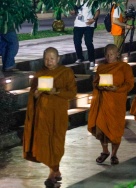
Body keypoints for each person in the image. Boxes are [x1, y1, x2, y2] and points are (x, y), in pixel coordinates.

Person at [22, 47, 77, 187]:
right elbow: (32, 95)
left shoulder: (66, 72)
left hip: (58, 115)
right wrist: (35, 95)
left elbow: (72, 93)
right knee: (46, 144)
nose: (49, 61)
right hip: (43, 116)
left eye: (52, 58)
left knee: (56, 143)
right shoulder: (40, 74)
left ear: (58, 58)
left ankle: (54, 173)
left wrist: (56, 91)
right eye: (46, 58)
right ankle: (53, 174)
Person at [88, 44, 134, 165]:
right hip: (103, 102)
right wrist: (98, 86)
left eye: (112, 54)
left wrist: (116, 88)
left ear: (117, 54)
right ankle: (105, 151)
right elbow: (95, 82)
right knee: (100, 128)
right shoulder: (101, 67)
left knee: (115, 129)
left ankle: (114, 154)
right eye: (107, 54)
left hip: (116, 102)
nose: (109, 57)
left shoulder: (124, 67)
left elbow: (130, 84)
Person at [71, 0, 100, 69]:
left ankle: (92, 60)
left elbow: (97, 11)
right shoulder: (77, 1)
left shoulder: (92, 1)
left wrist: (93, 19)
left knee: (88, 42)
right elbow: (74, 12)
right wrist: (72, 12)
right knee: (77, 42)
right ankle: (80, 57)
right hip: (78, 24)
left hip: (88, 25)